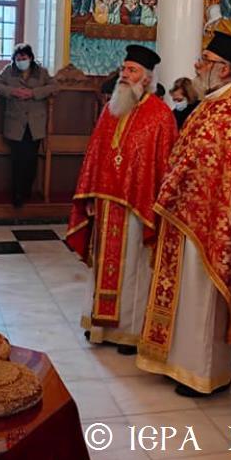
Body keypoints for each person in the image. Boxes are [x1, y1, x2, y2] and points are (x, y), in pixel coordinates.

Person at [137, 31, 231, 396]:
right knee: (182, 292)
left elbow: (229, 173)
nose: (197, 64)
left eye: (204, 60)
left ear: (223, 69)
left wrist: (186, 190)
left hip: (210, 223)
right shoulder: (211, 104)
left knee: (201, 296)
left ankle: (202, 372)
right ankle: (174, 361)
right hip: (184, 213)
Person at [67, 46, 177, 354]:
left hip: (137, 208)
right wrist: (90, 193)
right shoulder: (111, 109)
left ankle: (129, 332)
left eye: (132, 71)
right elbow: (96, 155)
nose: (125, 75)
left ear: (147, 78)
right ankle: (99, 326)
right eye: (124, 69)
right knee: (102, 265)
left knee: (133, 270)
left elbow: (162, 166)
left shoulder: (161, 116)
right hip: (105, 203)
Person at [0, 43, 58, 207]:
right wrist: (12, 91)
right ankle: (17, 194)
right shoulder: (9, 70)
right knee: (18, 160)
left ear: (30, 58)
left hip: (35, 124)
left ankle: (26, 191)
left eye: (24, 58)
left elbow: (55, 86)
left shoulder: (41, 72)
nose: (21, 61)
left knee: (31, 160)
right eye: (18, 59)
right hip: (15, 123)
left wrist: (33, 93)